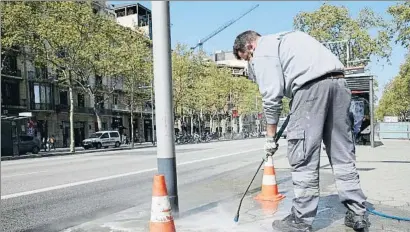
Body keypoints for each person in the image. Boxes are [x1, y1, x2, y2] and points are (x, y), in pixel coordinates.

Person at [233, 30, 368, 232]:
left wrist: (270, 138)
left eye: (247, 58)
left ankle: (301, 220)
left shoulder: (262, 51)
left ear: (250, 47)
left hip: (309, 89)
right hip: (339, 85)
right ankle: (357, 213)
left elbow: (271, 97)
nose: (250, 62)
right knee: (343, 155)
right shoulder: (290, 37)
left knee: (303, 154)